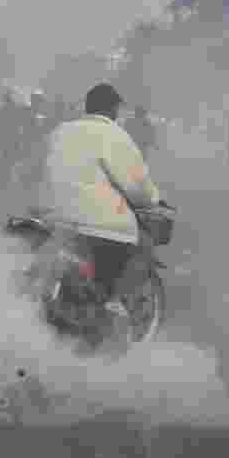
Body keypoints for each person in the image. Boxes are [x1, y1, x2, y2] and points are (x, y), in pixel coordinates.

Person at [28, 83, 162, 315]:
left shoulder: (60, 130)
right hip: (96, 228)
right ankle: (113, 306)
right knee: (136, 245)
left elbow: (34, 168)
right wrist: (152, 200)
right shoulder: (114, 135)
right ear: (113, 109)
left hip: (51, 219)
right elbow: (137, 187)